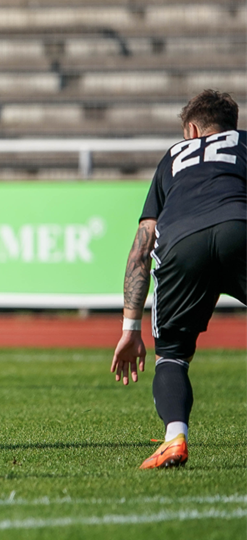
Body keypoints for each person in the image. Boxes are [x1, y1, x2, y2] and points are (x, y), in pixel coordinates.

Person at [111, 89, 247, 469]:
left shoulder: (173, 156)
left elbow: (141, 248)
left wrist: (130, 329)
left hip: (180, 243)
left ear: (192, 130)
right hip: (239, 227)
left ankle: (174, 438)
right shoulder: (243, 144)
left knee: (171, 355)